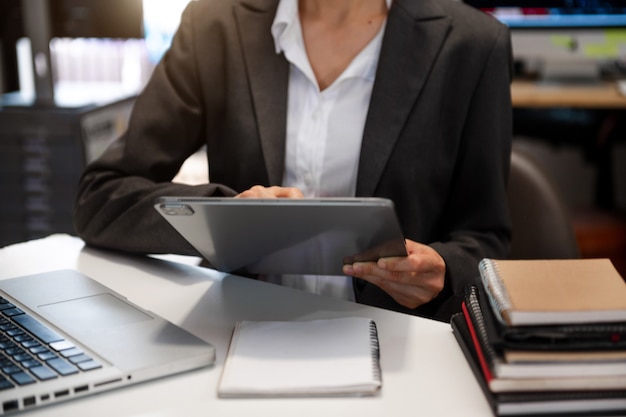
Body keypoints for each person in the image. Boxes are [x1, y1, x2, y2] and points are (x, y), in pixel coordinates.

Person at [74, 0, 513, 322]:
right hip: (237, 330)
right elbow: (101, 197)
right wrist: (224, 217)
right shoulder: (215, 25)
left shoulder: (472, 44)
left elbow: (485, 237)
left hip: (398, 339)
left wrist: (441, 272)